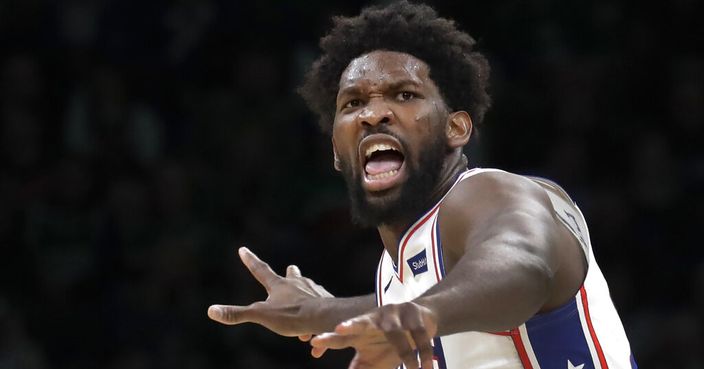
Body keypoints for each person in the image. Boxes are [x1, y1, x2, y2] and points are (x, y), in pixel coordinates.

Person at [207, 2, 638, 368]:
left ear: (456, 128)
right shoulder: (396, 277)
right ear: (338, 153)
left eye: (404, 95)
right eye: (353, 103)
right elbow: (415, 305)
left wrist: (411, 313)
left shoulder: (488, 194)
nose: (373, 115)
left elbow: (523, 261)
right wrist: (318, 314)